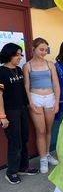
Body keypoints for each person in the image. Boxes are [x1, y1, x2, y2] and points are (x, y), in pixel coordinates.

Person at [0, 43, 39, 184]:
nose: (19, 57)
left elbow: (23, 90)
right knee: (15, 142)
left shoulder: (18, 69)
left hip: (22, 109)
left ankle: (23, 167)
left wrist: (28, 106)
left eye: (20, 54)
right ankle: (11, 172)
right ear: (8, 54)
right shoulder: (1, 72)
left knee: (24, 138)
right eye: (17, 54)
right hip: (10, 112)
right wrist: (2, 116)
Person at [23, 38, 60, 174]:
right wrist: (30, 102)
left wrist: (56, 102)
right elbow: (26, 85)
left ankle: (48, 154)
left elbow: (56, 84)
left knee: (49, 130)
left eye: (46, 50)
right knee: (41, 131)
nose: (44, 52)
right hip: (35, 98)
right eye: (41, 49)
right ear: (33, 48)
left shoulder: (50, 64)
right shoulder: (27, 66)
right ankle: (43, 158)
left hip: (50, 98)